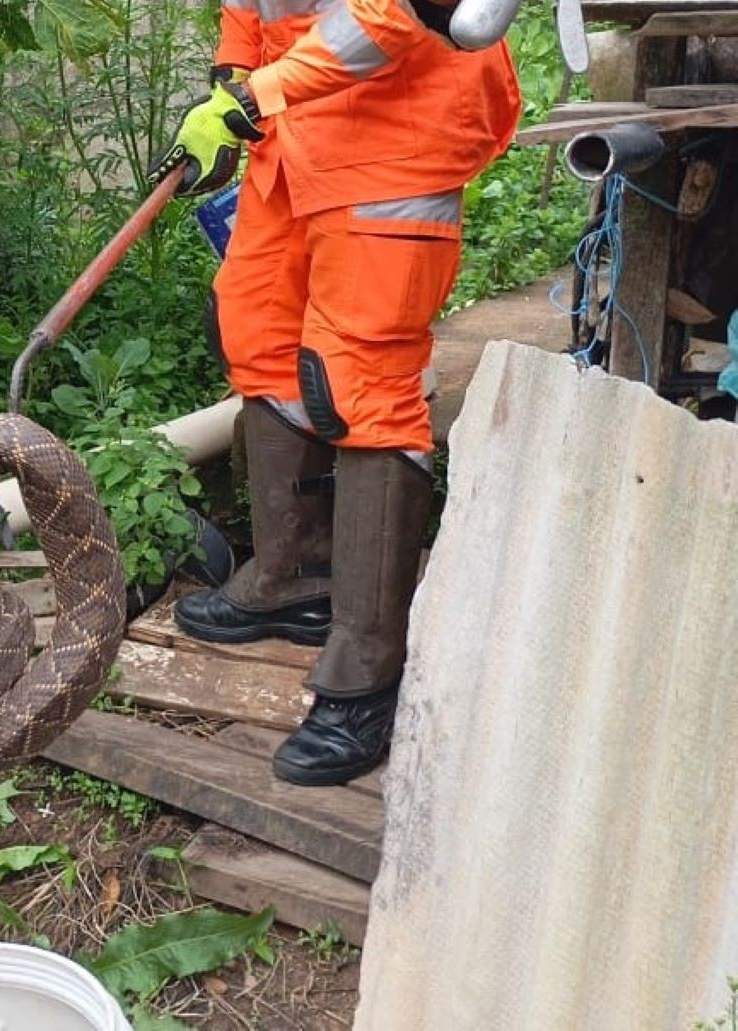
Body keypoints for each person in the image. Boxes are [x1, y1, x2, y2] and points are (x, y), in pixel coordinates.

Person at [148, 0, 520, 786]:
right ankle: (293, 573)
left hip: (395, 130)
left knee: (361, 382)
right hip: (297, 129)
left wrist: (253, 99)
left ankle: (365, 670)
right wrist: (233, 76)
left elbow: (382, 18)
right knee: (255, 333)